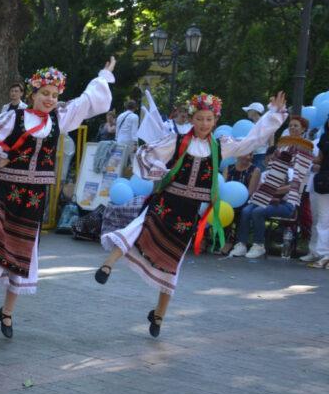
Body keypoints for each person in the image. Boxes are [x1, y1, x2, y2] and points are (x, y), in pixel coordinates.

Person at [0, 59, 115, 338]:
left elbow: (87, 101)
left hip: (34, 198)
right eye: (44, 93)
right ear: (32, 94)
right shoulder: (15, 117)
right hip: (5, 189)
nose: (50, 99)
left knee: (22, 253)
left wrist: (105, 75)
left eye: (54, 95)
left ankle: (8, 313)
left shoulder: (61, 118)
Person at [95, 91, 287, 337]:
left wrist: (273, 115)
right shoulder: (176, 141)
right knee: (137, 229)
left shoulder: (221, 146)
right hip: (167, 200)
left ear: (215, 120)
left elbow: (251, 140)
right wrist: (157, 170)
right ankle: (107, 266)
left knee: (173, 262)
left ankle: (158, 315)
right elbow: (147, 154)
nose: (204, 124)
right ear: (193, 119)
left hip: (188, 212)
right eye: (199, 119)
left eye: (208, 119)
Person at [228, 115, 314, 259]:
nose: (292, 128)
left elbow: (295, 184)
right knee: (246, 210)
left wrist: (273, 190)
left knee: (258, 211)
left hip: (287, 203)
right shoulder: (283, 145)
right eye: (291, 125)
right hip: (268, 196)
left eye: (296, 126)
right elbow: (273, 171)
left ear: (303, 129)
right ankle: (241, 244)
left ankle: (258, 245)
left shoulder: (305, 148)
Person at [218, 152, 261, 254]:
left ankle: (232, 242)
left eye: (251, 155)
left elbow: (250, 192)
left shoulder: (255, 170)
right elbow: (222, 187)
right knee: (220, 209)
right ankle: (212, 239)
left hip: (245, 200)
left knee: (238, 210)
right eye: (246, 154)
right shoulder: (228, 168)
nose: (248, 157)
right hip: (227, 200)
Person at [301, 116, 329, 267]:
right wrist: (304, 156)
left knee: (324, 220)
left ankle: (324, 255)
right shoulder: (324, 137)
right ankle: (319, 253)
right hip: (323, 182)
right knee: (320, 219)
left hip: (323, 181)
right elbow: (319, 159)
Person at [243, 102, 270, 169]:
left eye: (249, 110)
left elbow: (271, 138)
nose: (247, 112)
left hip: (261, 155)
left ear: (255, 111)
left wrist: (269, 155)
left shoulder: (264, 123)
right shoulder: (251, 124)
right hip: (252, 155)